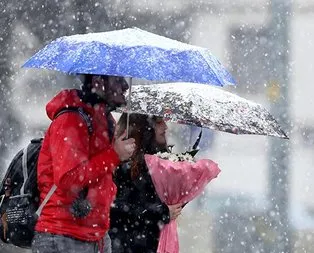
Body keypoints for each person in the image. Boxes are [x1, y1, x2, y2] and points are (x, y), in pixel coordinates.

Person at [32, 75, 136, 253]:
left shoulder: (104, 120)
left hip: (97, 236)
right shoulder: (71, 119)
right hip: (63, 237)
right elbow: (68, 179)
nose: (125, 85)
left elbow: (100, 175)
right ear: (97, 81)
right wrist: (113, 155)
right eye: (118, 79)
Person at [109, 113, 182, 253]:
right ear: (143, 125)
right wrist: (161, 212)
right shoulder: (123, 162)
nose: (165, 126)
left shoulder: (160, 161)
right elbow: (115, 207)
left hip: (152, 243)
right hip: (125, 245)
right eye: (159, 121)